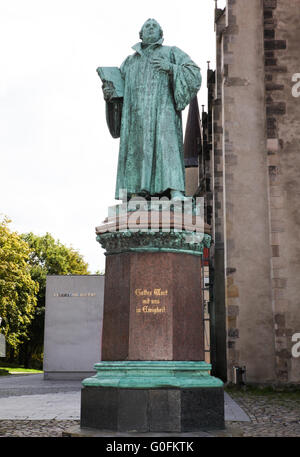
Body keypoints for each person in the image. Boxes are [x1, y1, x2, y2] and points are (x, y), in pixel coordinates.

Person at [102, 18, 202, 201]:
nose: (150, 28)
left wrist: (171, 68)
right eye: (147, 26)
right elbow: (118, 96)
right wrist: (109, 94)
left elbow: (194, 73)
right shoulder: (128, 62)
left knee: (168, 146)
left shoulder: (171, 52)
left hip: (164, 111)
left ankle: (175, 191)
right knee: (138, 150)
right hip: (136, 117)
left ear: (161, 34)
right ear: (140, 34)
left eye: (154, 26)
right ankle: (138, 193)